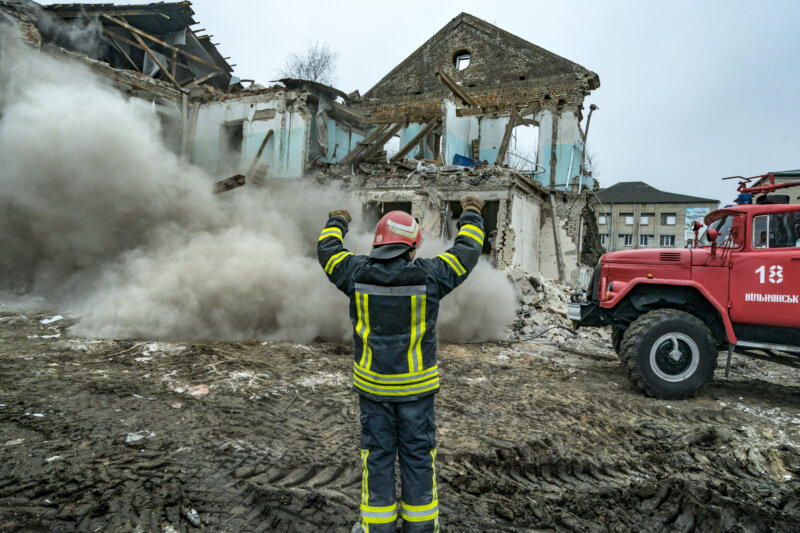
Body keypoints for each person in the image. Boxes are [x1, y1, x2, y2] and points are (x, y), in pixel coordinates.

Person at [317, 195, 485, 533]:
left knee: (376, 456)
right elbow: (467, 252)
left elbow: (327, 252)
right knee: (418, 456)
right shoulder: (431, 276)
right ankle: (419, 528)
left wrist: (337, 221)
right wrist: (472, 213)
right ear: (409, 246)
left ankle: (376, 528)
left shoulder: (355, 273)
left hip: (373, 389)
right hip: (416, 391)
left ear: (380, 244)